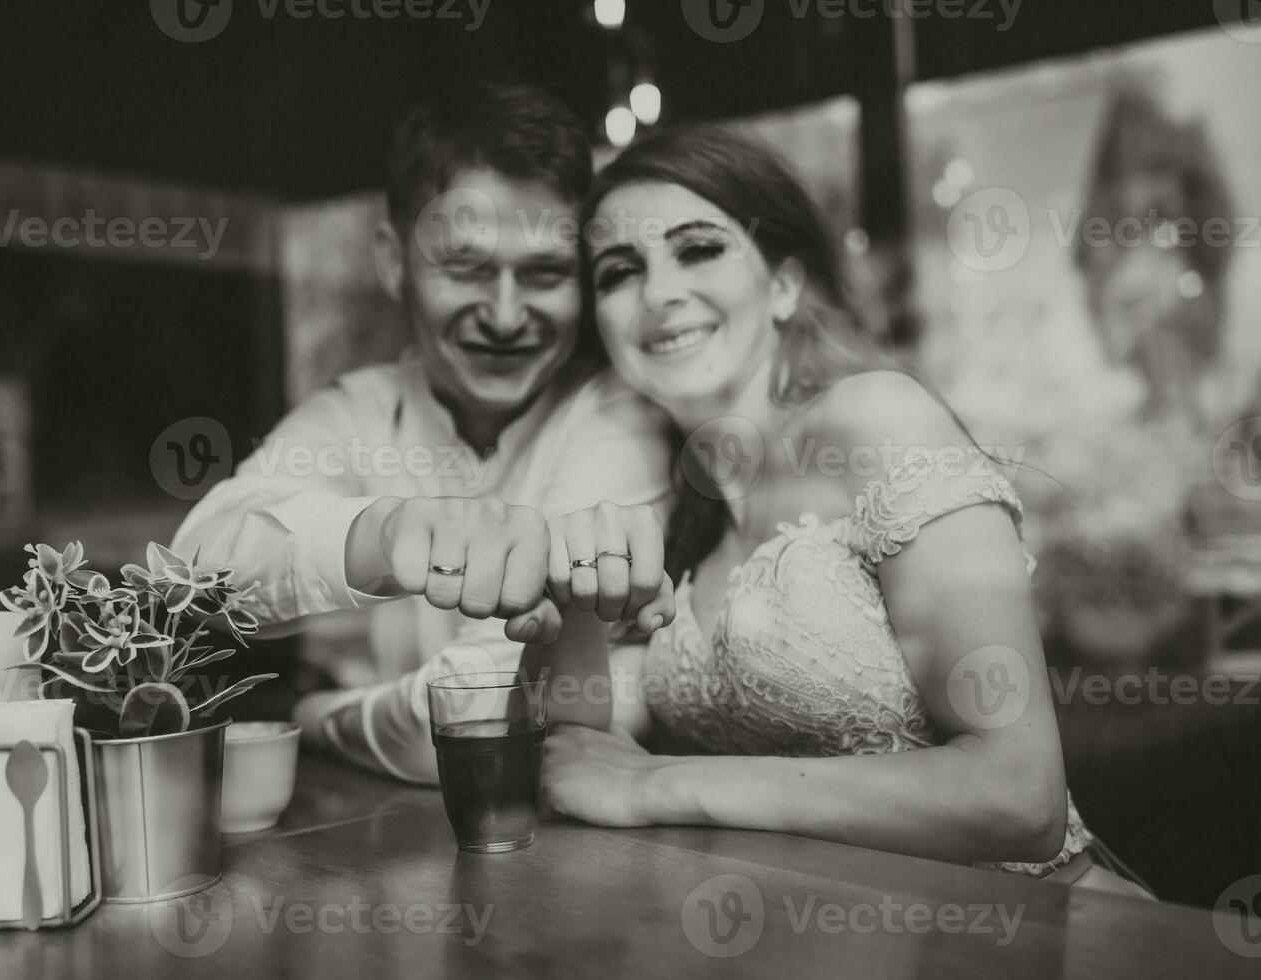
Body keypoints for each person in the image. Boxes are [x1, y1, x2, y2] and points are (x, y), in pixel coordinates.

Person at [525, 124, 1154, 896]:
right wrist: (577, 607)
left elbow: (1019, 798)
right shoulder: (684, 521)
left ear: (784, 286)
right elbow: (579, 755)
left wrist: (663, 784)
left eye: (697, 249)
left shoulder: (874, 420)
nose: (659, 293)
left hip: (1042, 936)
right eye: (620, 271)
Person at [171, 85, 673, 784]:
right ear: (392, 260)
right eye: (465, 268)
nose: (505, 315)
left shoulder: (616, 412)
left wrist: (316, 716)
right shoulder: (357, 412)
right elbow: (193, 566)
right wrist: (379, 537)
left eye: (545, 273)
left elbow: (494, 707)